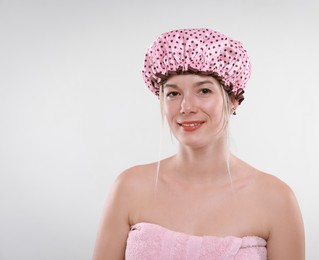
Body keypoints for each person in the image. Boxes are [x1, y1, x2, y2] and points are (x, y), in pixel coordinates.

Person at [93, 28, 305, 260]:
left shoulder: (276, 199)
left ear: (233, 100)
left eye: (204, 90)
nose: (186, 107)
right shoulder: (129, 187)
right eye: (173, 94)